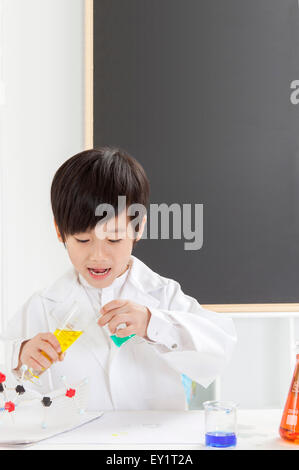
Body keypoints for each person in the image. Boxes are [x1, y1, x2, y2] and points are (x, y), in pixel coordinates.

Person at [3, 147, 237, 410]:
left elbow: (219, 352)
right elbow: (12, 388)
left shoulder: (162, 295)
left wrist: (153, 323)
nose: (98, 255)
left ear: (139, 229)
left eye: (114, 238)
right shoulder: (44, 305)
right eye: (82, 240)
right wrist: (18, 353)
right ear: (60, 232)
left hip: (153, 445)